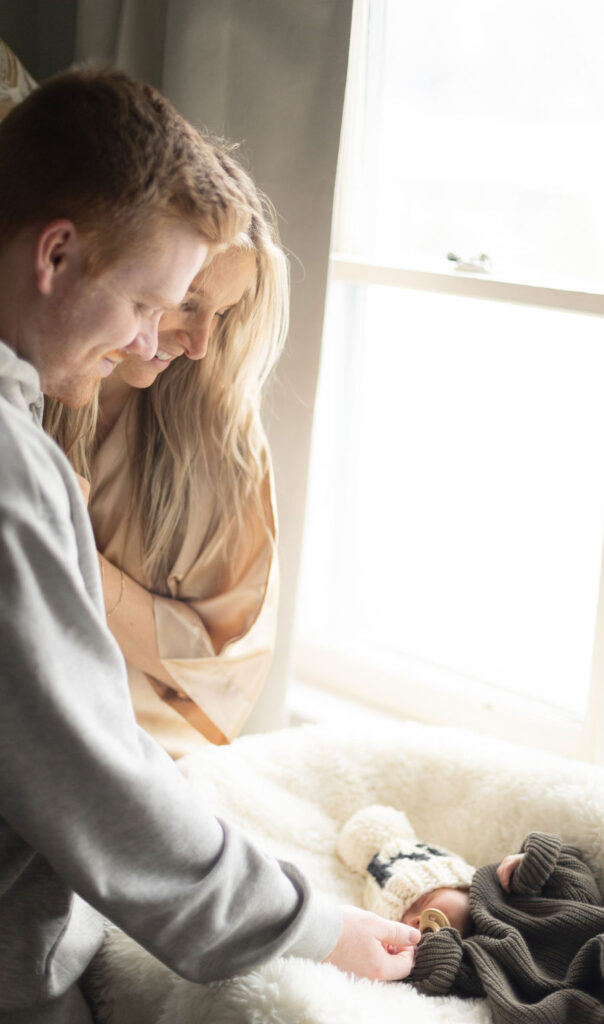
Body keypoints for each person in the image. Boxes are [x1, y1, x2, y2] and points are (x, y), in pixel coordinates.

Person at [0, 68, 419, 1024]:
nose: (157, 339)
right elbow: (92, 782)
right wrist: (311, 923)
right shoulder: (12, 471)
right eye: (150, 302)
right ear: (56, 254)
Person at [43, 144, 285, 758]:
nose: (202, 343)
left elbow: (219, 673)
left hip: (145, 747)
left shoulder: (224, 444)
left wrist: (68, 550)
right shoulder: (28, 382)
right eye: (188, 302)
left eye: (223, 315)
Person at [338, 805, 604, 1024]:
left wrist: (537, 862)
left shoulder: (513, 890)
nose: (417, 918)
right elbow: (438, 981)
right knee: (557, 1011)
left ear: (463, 885)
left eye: (423, 900)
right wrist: (431, 952)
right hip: (579, 998)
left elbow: (580, 889)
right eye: (406, 921)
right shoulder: (466, 959)